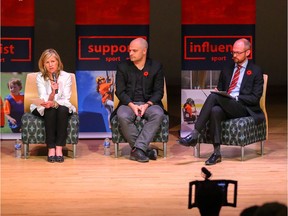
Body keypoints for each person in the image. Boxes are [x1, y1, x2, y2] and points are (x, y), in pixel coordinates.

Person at [178, 38, 264, 165]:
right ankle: (216, 153)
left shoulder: (256, 71)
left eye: (238, 53)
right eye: (233, 52)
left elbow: (255, 98)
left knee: (214, 97)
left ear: (248, 53)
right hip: (227, 105)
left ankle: (195, 134)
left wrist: (234, 97)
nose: (234, 55)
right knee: (215, 110)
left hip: (243, 107)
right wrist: (219, 91)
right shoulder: (227, 69)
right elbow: (221, 89)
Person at [110, 37, 166, 163]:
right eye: (130, 51)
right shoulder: (122, 67)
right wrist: (132, 105)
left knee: (158, 113)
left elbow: (159, 92)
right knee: (122, 115)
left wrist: (147, 105)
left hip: (150, 103)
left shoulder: (156, 67)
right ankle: (142, 150)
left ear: (144, 51)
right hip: (128, 103)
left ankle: (138, 150)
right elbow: (120, 91)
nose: (130, 53)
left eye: (134, 51)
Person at [30, 49, 76, 163]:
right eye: (47, 62)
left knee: (61, 109)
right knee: (50, 109)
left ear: (58, 62)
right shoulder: (40, 77)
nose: (50, 65)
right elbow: (43, 98)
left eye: (53, 61)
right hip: (44, 106)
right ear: (43, 64)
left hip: (62, 106)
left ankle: (59, 148)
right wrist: (52, 93)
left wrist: (54, 103)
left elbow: (66, 98)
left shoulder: (66, 76)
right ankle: (51, 148)